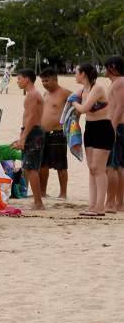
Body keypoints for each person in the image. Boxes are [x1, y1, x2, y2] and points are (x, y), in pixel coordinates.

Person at [72, 63, 113, 216]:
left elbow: (83, 109)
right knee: (91, 169)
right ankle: (92, 206)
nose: (75, 75)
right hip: (90, 129)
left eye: (77, 72)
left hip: (103, 129)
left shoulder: (97, 88)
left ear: (83, 74)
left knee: (99, 168)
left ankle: (100, 207)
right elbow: (74, 101)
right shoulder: (83, 90)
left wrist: (74, 103)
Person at [11, 69, 46, 211]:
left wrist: (23, 138)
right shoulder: (33, 94)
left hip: (33, 132)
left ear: (27, 79)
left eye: (19, 78)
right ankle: (37, 201)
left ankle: (38, 202)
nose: (18, 81)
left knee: (31, 168)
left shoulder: (32, 95)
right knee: (29, 166)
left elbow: (31, 117)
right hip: (32, 131)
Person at [38, 68, 72, 199]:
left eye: (47, 80)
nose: (44, 83)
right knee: (43, 164)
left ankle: (63, 194)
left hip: (58, 132)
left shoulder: (65, 93)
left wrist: (71, 123)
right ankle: (42, 192)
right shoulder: (45, 94)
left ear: (54, 79)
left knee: (61, 164)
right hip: (43, 133)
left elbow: (78, 104)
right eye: (42, 81)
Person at [106, 56, 124, 212]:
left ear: (112, 67)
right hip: (118, 126)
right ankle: (118, 203)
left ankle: (112, 203)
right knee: (118, 166)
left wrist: (112, 127)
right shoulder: (116, 83)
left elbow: (120, 106)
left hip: (117, 126)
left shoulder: (120, 82)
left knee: (112, 166)